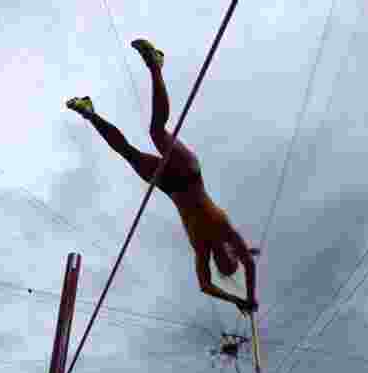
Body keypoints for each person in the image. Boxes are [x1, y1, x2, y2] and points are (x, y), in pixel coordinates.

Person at [67, 39, 259, 315]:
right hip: (190, 175)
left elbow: (205, 286)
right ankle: (155, 64)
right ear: (232, 254)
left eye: (223, 266)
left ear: (217, 263)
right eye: (230, 261)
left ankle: (89, 112)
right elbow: (250, 265)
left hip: (170, 187)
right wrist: (249, 296)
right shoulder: (225, 230)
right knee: (157, 131)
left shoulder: (201, 249)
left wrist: (236, 301)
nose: (224, 262)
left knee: (128, 153)